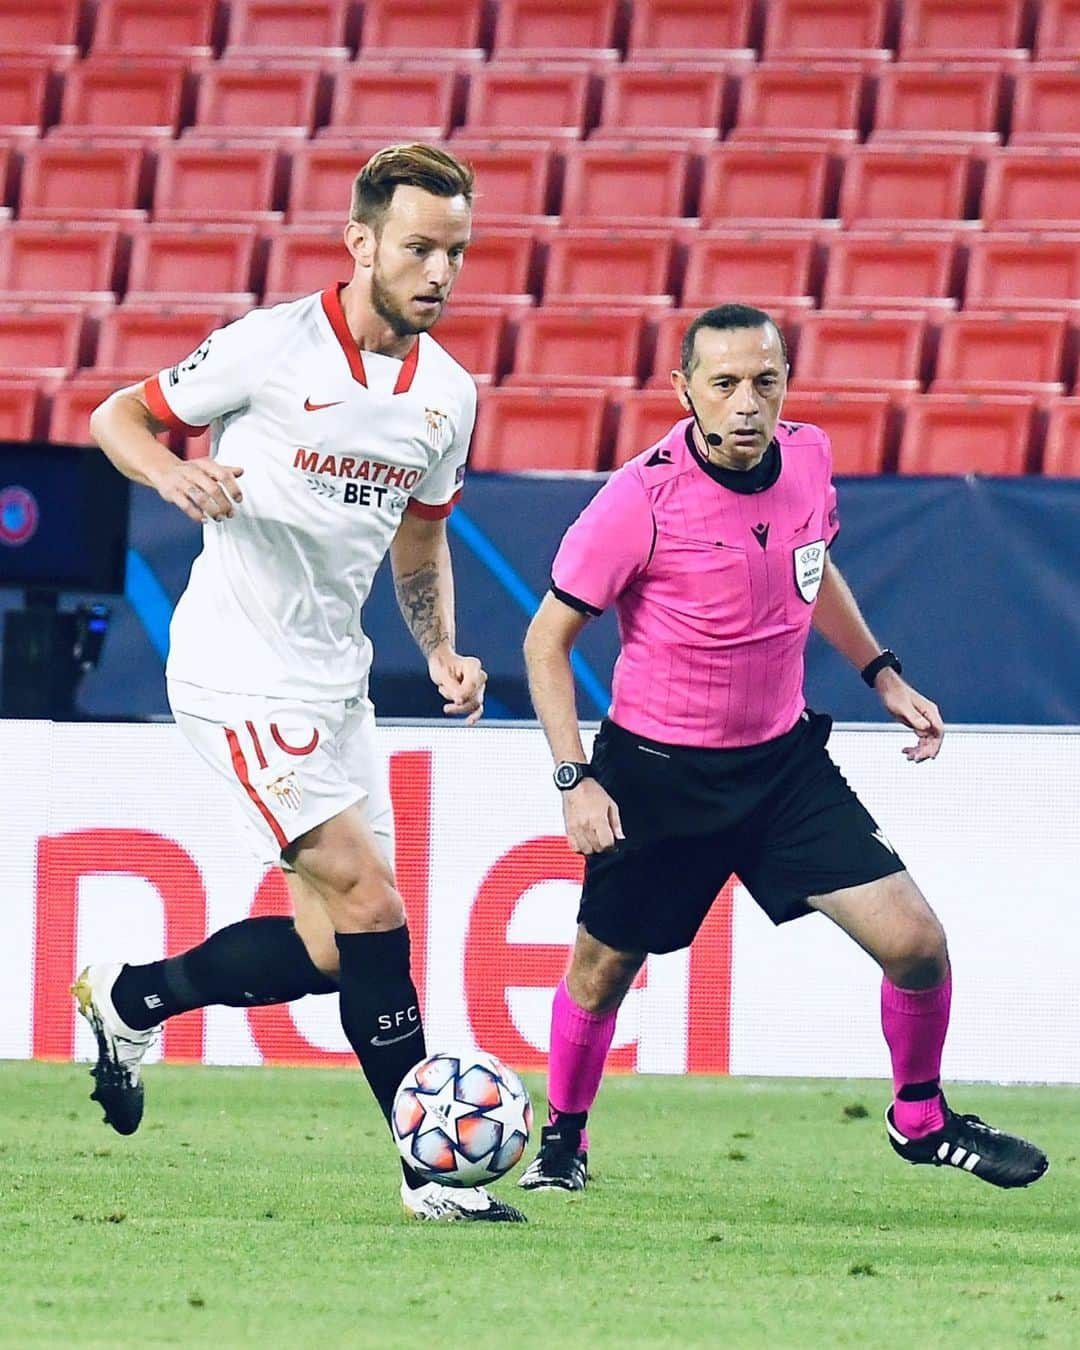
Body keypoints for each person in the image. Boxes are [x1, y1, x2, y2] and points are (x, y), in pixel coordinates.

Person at [75, 143, 525, 1223]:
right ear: (362, 242)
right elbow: (116, 419)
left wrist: (442, 651)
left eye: (456, 251)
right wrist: (178, 470)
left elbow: (420, 547)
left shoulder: (448, 397)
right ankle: (431, 1176)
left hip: (335, 684)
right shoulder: (271, 348)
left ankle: (133, 999)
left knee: (332, 950)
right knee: (373, 902)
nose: (439, 271)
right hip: (236, 673)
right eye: (419, 247)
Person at [517, 303, 1048, 1196]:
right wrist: (575, 778)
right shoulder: (636, 500)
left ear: (786, 386)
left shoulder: (808, 457)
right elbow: (544, 642)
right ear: (684, 390)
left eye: (764, 381)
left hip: (782, 769)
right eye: (723, 383)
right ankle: (563, 1140)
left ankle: (920, 1119)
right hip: (657, 774)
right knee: (602, 974)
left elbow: (815, 567)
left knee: (917, 943)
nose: (746, 403)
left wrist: (881, 672)